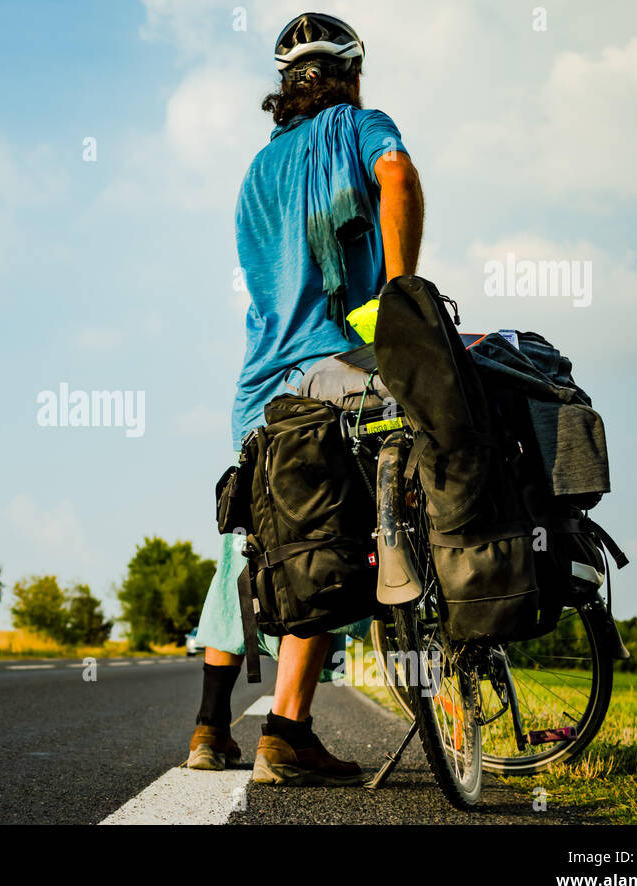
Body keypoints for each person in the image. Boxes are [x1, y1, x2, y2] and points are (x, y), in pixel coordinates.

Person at [186, 11, 424, 786]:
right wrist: (399, 293)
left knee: (250, 545)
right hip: (328, 377)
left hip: (255, 384)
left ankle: (210, 727)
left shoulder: (258, 171)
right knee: (326, 538)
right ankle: (286, 730)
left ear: (286, 90)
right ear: (350, 75)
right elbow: (398, 177)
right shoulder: (361, 125)